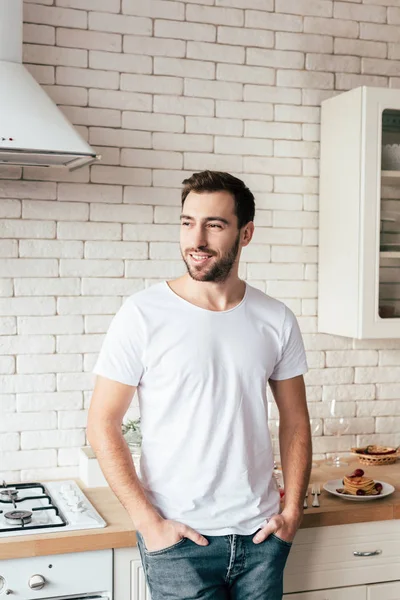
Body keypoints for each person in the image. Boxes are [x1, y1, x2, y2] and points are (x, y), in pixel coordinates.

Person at [88, 170, 312, 600]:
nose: (197, 239)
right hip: (179, 542)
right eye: (188, 222)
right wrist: (148, 523)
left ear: (245, 234)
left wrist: (292, 512)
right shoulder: (142, 315)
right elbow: (102, 423)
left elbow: (296, 421)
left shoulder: (276, 318)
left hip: (262, 537)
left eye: (214, 224)